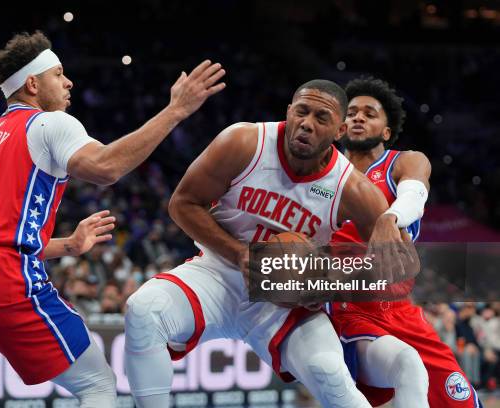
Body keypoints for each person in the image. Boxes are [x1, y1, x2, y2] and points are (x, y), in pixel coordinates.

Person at [0, 31, 225, 408]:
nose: (69, 82)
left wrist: (69, 245)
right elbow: (107, 167)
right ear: (32, 84)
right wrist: (176, 110)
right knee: (97, 385)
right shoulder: (49, 122)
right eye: (58, 73)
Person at [124, 79, 407, 408]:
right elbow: (182, 204)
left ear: (339, 130)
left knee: (329, 371)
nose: (306, 123)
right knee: (143, 310)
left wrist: (328, 283)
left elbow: (394, 269)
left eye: (321, 118)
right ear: (289, 111)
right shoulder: (244, 142)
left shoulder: (353, 189)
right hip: (219, 273)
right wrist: (241, 254)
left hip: (284, 301)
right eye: (301, 112)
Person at [328, 77, 483, 407]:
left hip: (399, 308)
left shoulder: (405, 162)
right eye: (351, 112)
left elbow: (415, 194)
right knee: (405, 367)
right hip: (344, 309)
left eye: (370, 113)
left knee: (462, 401)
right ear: (340, 127)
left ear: (386, 131)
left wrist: (390, 218)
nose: (358, 117)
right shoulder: (322, 174)